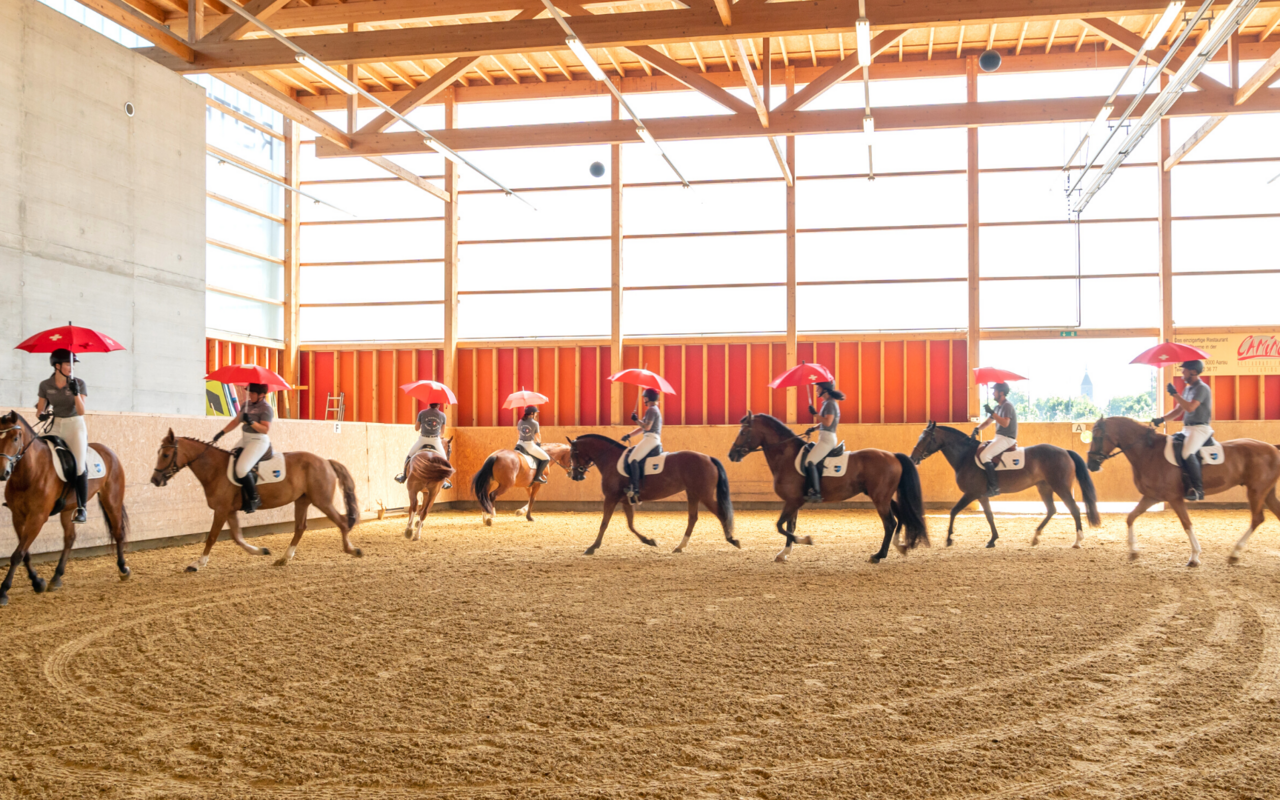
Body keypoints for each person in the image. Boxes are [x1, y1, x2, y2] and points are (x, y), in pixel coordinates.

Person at [36, 349, 90, 523]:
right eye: (68, 364)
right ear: (57, 366)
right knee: (35, 451)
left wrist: (75, 394)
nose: (71, 367)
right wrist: (42, 415)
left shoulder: (79, 383)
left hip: (75, 425)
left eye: (73, 364)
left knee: (80, 466)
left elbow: (81, 411)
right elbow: (40, 410)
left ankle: (82, 508)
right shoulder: (45, 385)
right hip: (55, 424)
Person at [1152, 360, 1212, 501]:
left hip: (1200, 428)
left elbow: (1190, 408)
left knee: (1187, 452)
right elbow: (1178, 411)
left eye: (1184, 370)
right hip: (1188, 428)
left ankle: (1198, 489)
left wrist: (1175, 395)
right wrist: (1162, 419)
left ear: (1193, 372)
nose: (1182, 373)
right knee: (1171, 445)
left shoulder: (1202, 388)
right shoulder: (1188, 389)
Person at [213, 383, 274, 514]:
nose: (250, 395)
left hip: (258, 440)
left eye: (252, 393)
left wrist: (251, 422)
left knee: (241, 469)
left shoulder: (266, 408)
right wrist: (222, 433)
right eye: (249, 393)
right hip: (245, 439)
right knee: (229, 459)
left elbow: (265, 429)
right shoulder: (246, 404)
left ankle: (254, 498)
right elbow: (236, 421)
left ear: (261, 395)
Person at [802, 381, 844, 503]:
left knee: (809, 461)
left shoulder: (830, 404)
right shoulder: (827, 403)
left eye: (818, 388)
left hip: (827, 439)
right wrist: (813, 428)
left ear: (824, 390)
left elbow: (828, 423)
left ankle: (816, 492)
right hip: (825, 437)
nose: (816, 391)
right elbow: (824, 422)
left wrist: (814, 414)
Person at [974, 382, 1017, 498]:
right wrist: (977, 429)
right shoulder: (998, 407)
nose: (993, 393)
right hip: (999, 437)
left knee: (985, 456)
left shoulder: (1007, 406)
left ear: (1001, 393)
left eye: (995, 391)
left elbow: (1005, 423)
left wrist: (992, 412)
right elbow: (988, 422)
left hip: (1007, 438)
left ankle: (994, 487)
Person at [622, 388, 664, 505]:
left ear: (647, 398)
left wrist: (636, 420)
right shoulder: (654, 409)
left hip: (651, 438)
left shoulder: (651, 410)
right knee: (633, 456)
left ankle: (635, 490)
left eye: (644, 398)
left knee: (632, 459)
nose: (644, 400)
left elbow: (647, 427)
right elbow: (642, 427)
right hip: (651, 438)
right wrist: (628, 435)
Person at [395, 402, 451, 489]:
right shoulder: (443, 415)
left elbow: (416, 428)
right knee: (445, 460)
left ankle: (403, 477)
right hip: (435, 440)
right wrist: (436, 435)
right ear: (438, 405)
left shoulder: (422, 413)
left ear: (429, 404)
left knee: (409, 456)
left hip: (422, 439)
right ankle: (444, 481)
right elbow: (442, 432)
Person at [516, 406, 550, 485]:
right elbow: (538, 436)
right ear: (532, 413)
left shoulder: (520, 421)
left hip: (519, 444)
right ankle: (537, 477)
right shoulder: (535, 423)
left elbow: (518, 433)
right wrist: (538, 443)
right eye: (535, 413)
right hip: (529, 445)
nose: (536, 415)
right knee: (546, 458)